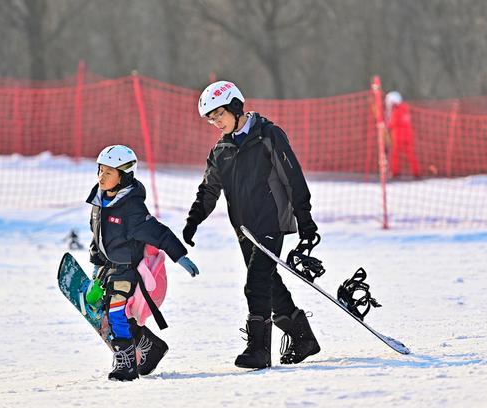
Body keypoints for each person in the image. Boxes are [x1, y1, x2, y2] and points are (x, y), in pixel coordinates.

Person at [183, 81, 320, 369]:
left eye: (219, 114)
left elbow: (292, 178)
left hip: (271, 223)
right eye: (211, 119)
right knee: (269, 282)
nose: (216, 122)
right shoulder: (221, 150)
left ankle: (258, 349)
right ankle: (302, 336)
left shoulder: (268, 135)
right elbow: (209, 190)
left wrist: (305, 220)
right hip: (244, 230)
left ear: (235, 106)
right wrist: (194, 220)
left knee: (256, 283)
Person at [88, 144, 199, 381]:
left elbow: (159, 233)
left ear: (124, 175)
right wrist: (96, 264)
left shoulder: (132, 209)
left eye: (109, 172)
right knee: (116, 314)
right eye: (100, 170)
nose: (102, 177)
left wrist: (180, 256)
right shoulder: (98, 203)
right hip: (108, 269)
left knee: (117, 312)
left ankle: (126, 363)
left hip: (128, 270)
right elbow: (96, 237)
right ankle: (150, 347)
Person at [385, 91, 421, 178]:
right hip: (408, 135)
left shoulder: (396, 110)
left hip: (398, 136)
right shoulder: (405, 109)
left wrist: (386, 126)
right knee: (411, 154)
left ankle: (395, 172)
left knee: (395, 155)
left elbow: (393, 122)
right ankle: (416, 172)